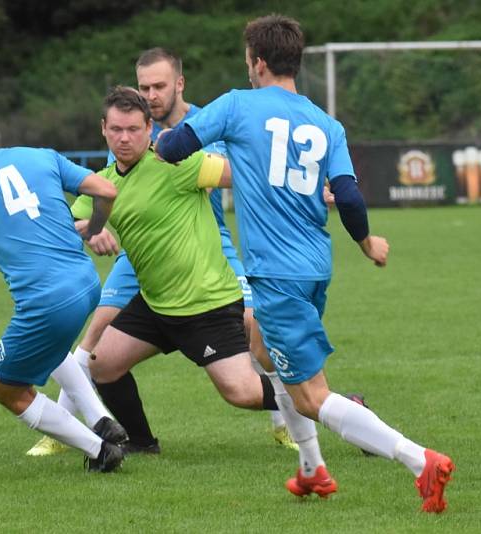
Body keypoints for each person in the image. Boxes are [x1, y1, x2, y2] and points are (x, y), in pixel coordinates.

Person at [155, 15, 454, 513]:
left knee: (313, 395)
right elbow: (351, 197)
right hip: (314, 266)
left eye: (248, 60)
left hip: (276, 274)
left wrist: (161, 145)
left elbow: (174, 146)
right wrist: (366, 243)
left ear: (259, 62)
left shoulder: (235, 105)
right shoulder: (325, 122)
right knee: (260, 348)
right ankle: (312, 469)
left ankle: (420, 460)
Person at [27, 47, 299, 458]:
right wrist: (90, 231)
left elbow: (246, 176)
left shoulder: (179, 162)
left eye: (134, 129)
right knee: (102, 362)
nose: (124, 138)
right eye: (116, 130)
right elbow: (69, 221)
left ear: (150, 130)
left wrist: (311, 186)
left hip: (204, 302)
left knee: (241, 391)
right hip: (155, 301)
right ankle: (140, 442)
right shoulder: (101, 183)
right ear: (103, 130)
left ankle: (326, 404)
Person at [0, 106, 126, 473]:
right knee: (48, 347)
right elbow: (106, 189)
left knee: (4, 388)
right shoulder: (41, 156)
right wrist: (95, 227)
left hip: (46, 302)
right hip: (86, 283)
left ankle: (100, 450)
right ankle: (101, 419)